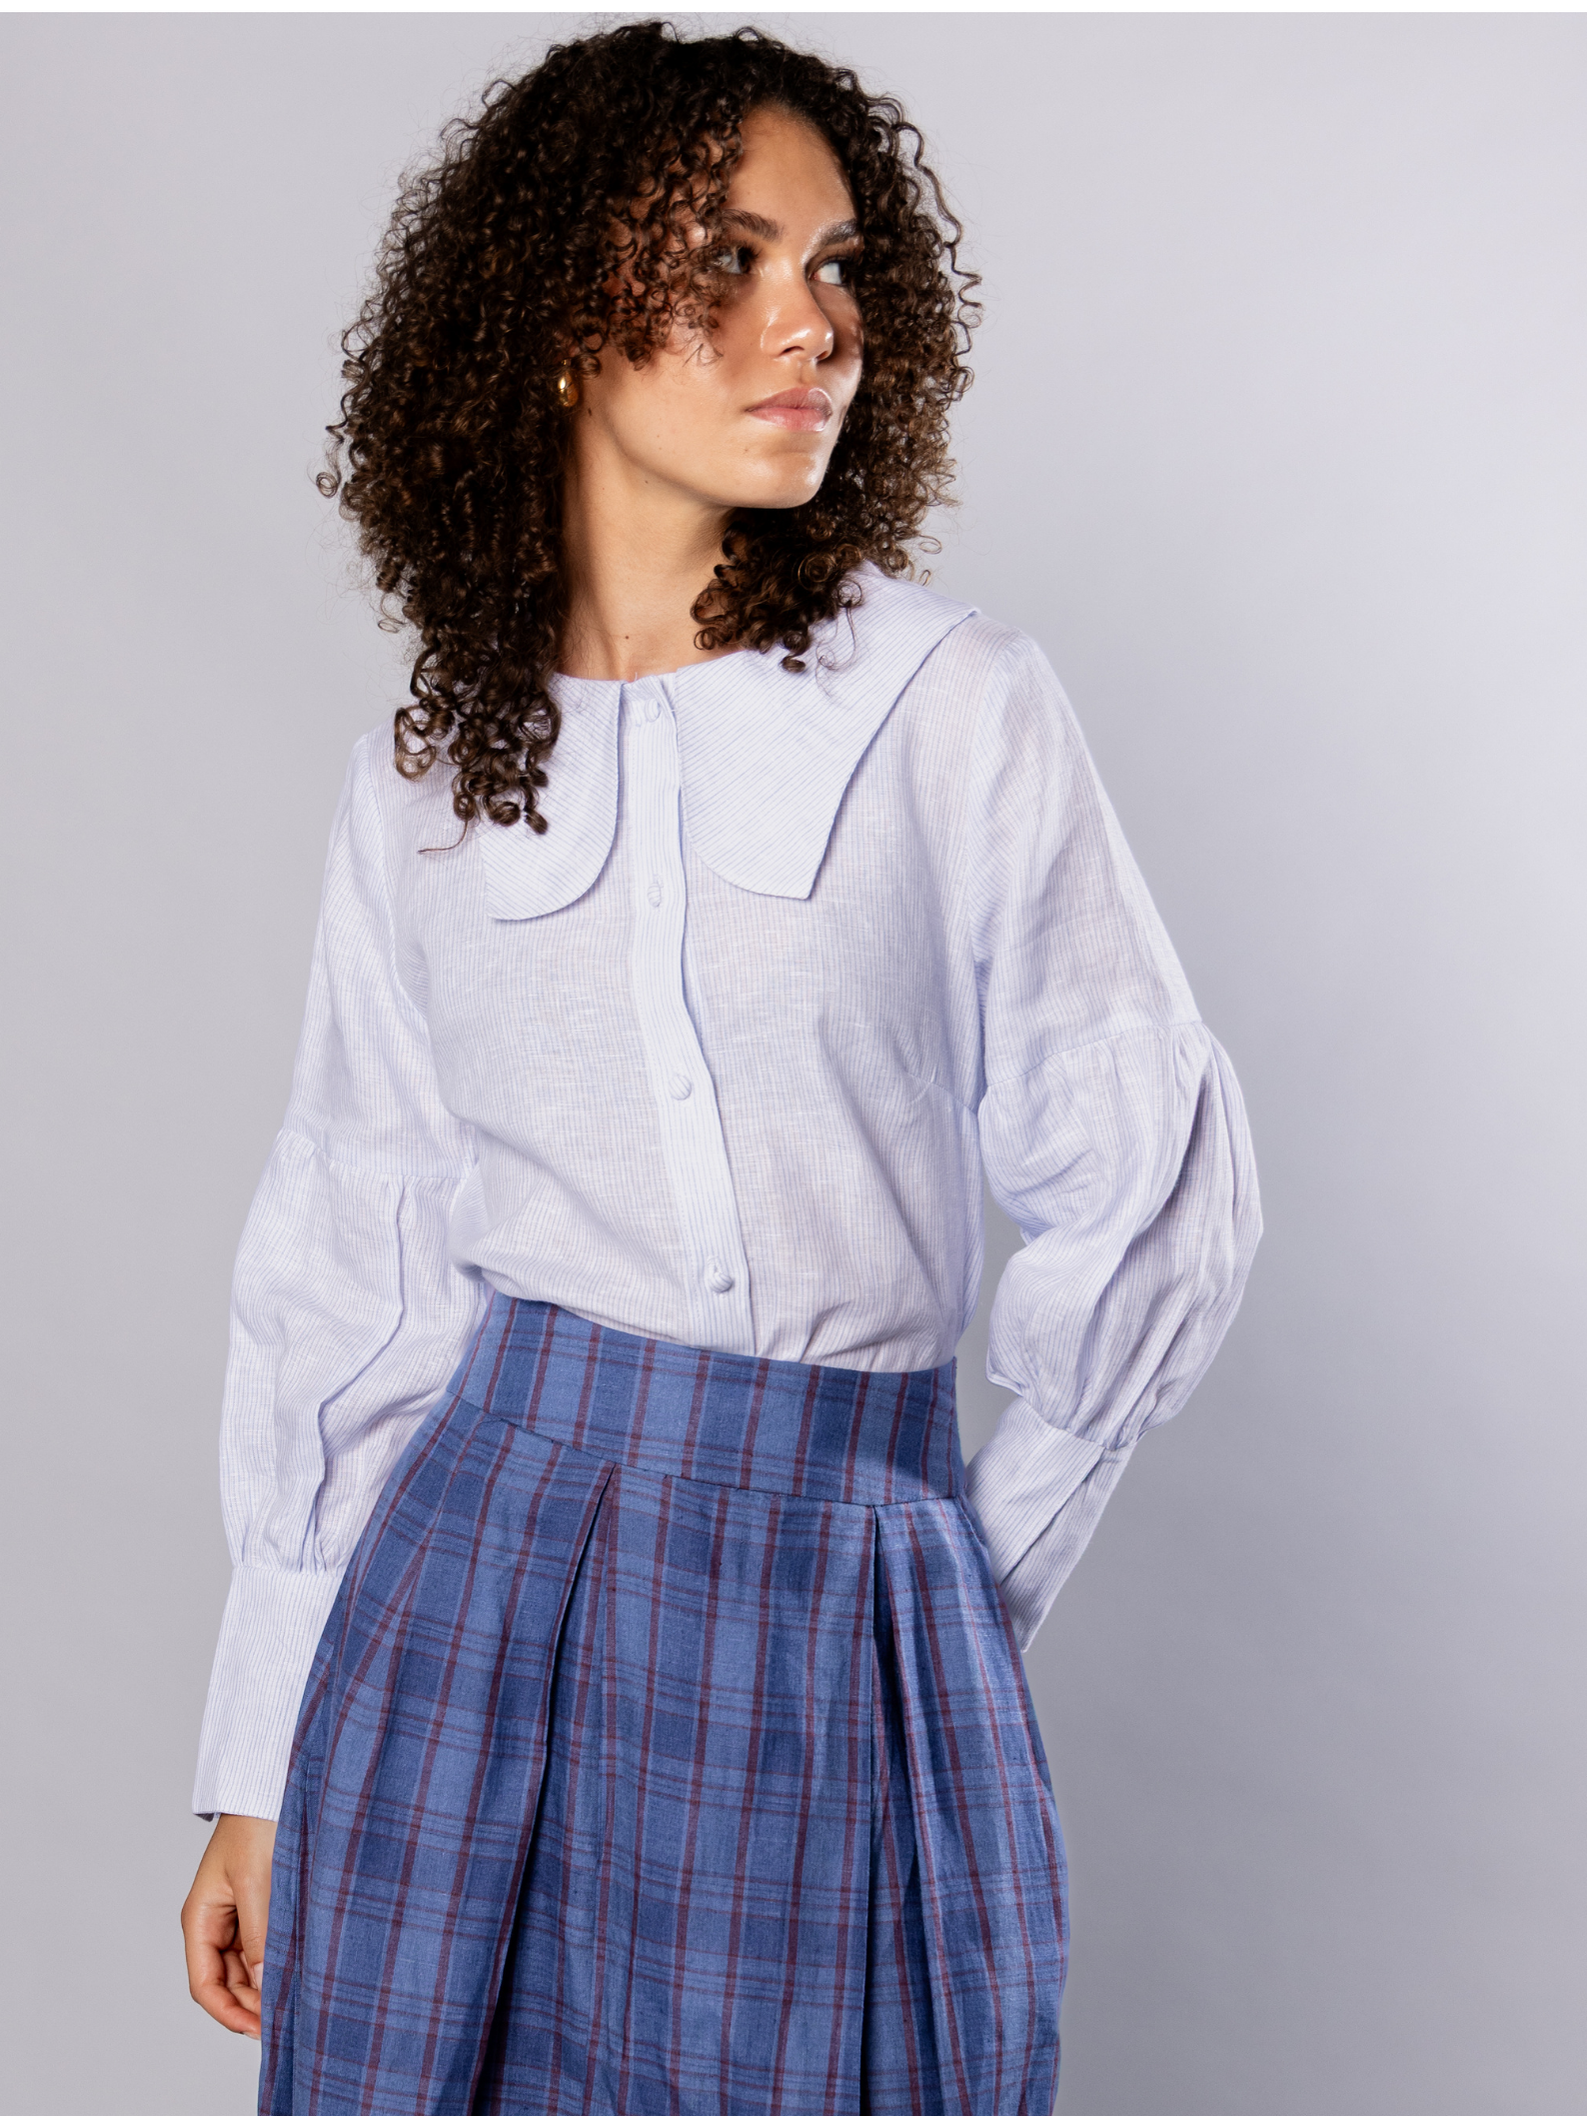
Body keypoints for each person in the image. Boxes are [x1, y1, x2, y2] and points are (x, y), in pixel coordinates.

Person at [180, 21, 1260, 2113]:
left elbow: (1153, 1191)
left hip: (826, 1577)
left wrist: (937, 1570)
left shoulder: (951, 707)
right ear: (557, 308)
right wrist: (256, 1753)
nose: (810, 327)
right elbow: (357, 1241)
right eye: (730, 259)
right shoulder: (427, 768)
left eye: (841, 265)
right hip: (467, 1567)